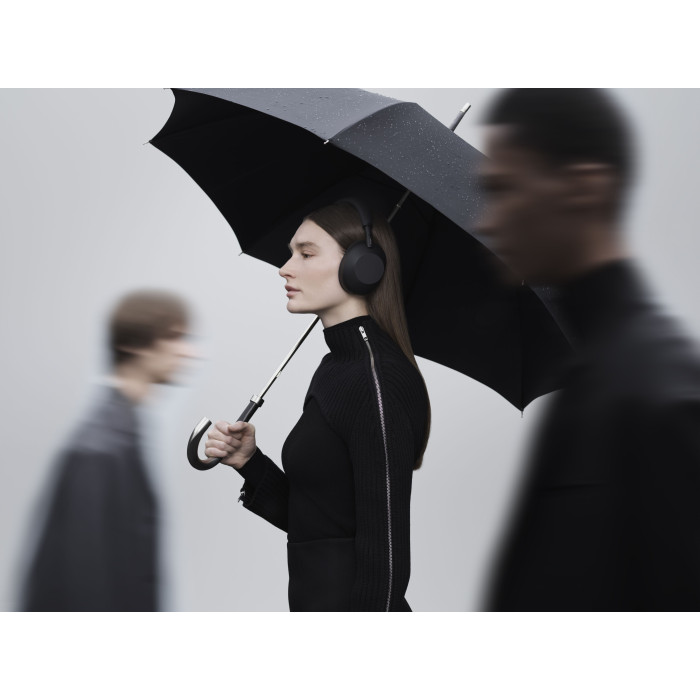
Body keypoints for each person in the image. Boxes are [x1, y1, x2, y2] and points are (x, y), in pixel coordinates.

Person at [479, 88, 700, 610]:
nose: (486, 221)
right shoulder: (596, 373)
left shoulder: (657, 393)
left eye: (504, 189)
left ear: (585, 188)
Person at [205, 200, 431, 611]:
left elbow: (387, 550)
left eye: (306, 254)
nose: (284, 268)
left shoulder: (377, 378)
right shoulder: (335, 367)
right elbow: (317, 527)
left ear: (363, 267)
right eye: (291, 253)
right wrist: (249, 462)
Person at [22, 290, 194, 611]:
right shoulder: (100, 449)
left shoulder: (119, 433)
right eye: (173, 337)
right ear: (133, 344)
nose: (188, 352)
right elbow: (84, 577)